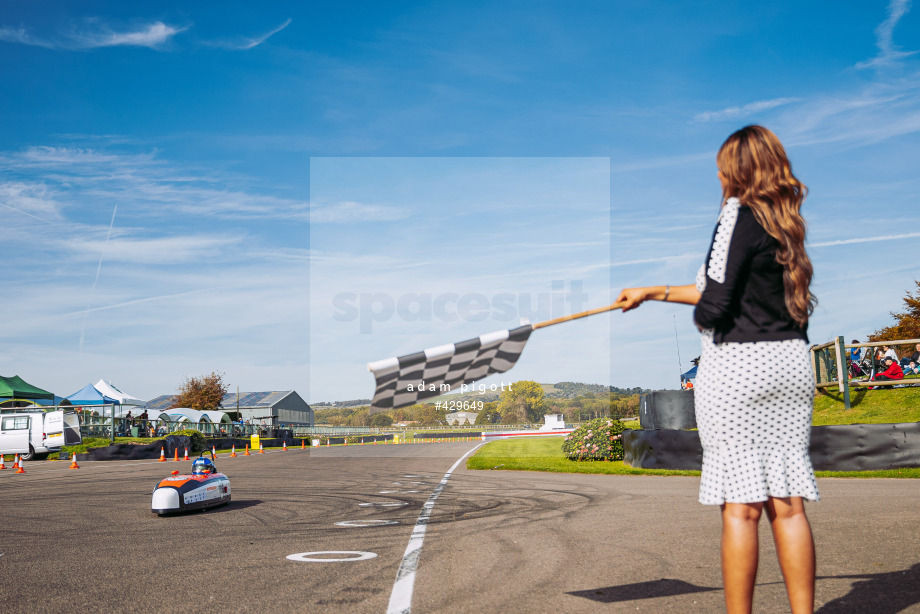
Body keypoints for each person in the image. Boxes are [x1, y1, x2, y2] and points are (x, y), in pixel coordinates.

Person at [616, 125, 818, 614]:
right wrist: (653, 291)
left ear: (735, 170)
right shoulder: (784, 222)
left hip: (739, 367)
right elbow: (721, 285)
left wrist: (703, 316)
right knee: (787, 506)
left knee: (741, 507)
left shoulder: (735, 214)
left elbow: (716, 302)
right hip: (791, 363)